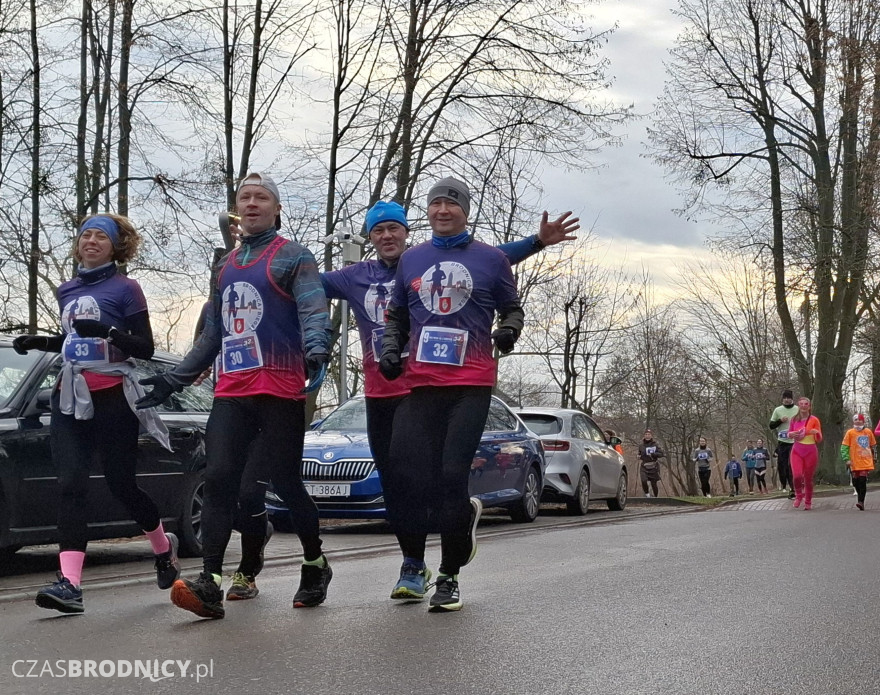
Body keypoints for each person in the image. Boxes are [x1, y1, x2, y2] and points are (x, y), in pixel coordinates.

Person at [225, 199, 578, 602]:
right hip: (380, 392)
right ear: (370, 237)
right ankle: (413, 564)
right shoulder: (353, 276)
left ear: (407, 233)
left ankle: (453, 540)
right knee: (397, 486)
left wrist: (536, 241)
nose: (388, 236)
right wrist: (251, 254)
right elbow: (298, 280)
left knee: (436, 482)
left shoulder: (426, 262)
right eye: (379, 230)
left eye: (395, 228)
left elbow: (494, 257)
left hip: (421, 389)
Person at [137, 173, 334, 619]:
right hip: (232, 390)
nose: (251, 204)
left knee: (281, 483)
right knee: (221, 476)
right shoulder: (225, 265)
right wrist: (176, 379)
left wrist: (318, 348)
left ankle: (315, 562)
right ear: (237, 209)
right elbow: (214, 332)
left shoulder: (293, 256)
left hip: (280, 388)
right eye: (244, 197)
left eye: (261, 197)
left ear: (277, 208)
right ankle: (211, 581)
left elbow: (312, 307)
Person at [13, 214, 179, 614]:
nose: (90, 241)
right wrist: (46, 342)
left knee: (122, 485)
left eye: (99, 236)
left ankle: (162, 548)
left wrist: (107, 332)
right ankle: (69, 584)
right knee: (71, 484)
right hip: (70, 397)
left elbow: (142, 347)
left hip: (112, 398)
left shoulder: (126, 288)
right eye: (85, 234)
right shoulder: (66, 288)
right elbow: (76, 341)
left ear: (115, 246)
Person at [379, 176, 525, 612]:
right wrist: (391, 347)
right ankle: (413, 567)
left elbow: (511, 306)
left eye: (451, 204)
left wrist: (509, 330)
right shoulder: (412, 259)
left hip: (471, 384)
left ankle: (448, 576)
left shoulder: (491, 259)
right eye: (436, 204)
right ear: (428, 211)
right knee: (404, 475)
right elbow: (397, 314)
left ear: (465, 210)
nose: (442, 210)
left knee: (448, 477)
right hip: (422, 384)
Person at [787, 397, 822, 509]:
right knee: (797, 476)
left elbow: (819, 438)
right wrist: (791, 434)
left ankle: (808, 501)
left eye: (805, 404)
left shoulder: (814, 420)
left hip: (810, 450)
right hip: (797, 450)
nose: (803, 406)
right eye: (801, 404)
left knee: (808, 478)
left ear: (809, 406)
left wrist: (816, 433)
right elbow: (789, 433)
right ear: (798, 406)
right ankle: (798, 495)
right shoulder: (794, 419)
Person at [841, 414, 876, 511]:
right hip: (854, 461)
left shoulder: (868, 432)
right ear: (853, 421)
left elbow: (873, 446)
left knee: (862, 480)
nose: (858, 421)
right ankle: (859, 495)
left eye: (860, 420)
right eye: (856, 419)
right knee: (856, 481)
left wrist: (874, 458)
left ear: (863, 421)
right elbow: (844, 447)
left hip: (865, 461)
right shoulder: (850, 433)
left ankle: (861, 501)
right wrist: (846, 459)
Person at [768, 390, 798, 498]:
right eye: (784, 397)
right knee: (784, 467)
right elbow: (771, 425)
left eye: (788, 397)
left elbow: (804, 422)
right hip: (783, 442)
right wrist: (780, 421)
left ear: (792, 399)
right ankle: (787, 485)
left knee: (792, 466)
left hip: (795, 442)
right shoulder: (778, 410)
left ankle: (793, 489)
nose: (786, 399)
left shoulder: (797, 409)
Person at [638, 429, 665, 498]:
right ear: (644, 436)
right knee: (643, 480)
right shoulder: (641, 445)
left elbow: (661, 454)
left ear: (651, 436)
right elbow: (639, 454)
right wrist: (638, 456)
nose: (647, 436)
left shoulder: (655, 444)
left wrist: (654, 454)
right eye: (646, 434)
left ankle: (655, 498)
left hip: (653, 465)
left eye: (649, 434)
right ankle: (647, 495)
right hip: (644, 465)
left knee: (653, 483)